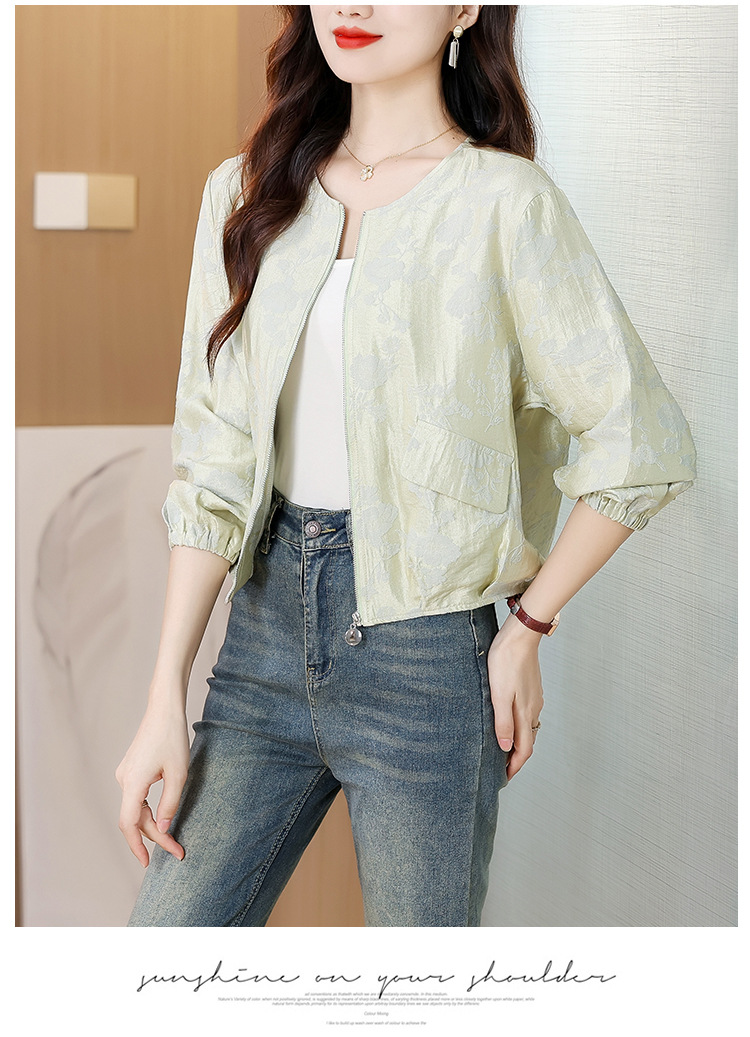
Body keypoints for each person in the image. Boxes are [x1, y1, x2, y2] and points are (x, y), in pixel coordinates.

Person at [117, 5, 696, 927]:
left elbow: (640, 440)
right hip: (260, 645)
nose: (352, 6)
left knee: (421, 986)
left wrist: (527, 627)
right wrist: (163, 695)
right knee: (160, 957)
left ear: (465, 7)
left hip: (428, 660)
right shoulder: (245, 191)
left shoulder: (506, 204)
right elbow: (214, 466)